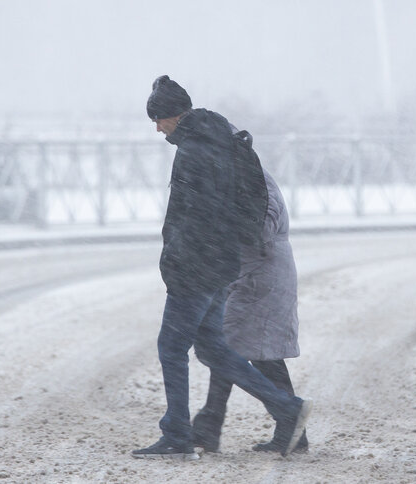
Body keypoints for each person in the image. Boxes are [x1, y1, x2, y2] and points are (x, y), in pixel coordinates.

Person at [131, 75, 312, 460]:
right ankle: (286, 408)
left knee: (171, 348)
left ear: (172, 116)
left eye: (158, 119)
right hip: (218, 265)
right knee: (216, 349)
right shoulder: (217, 145)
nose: (157, 128)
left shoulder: (194, 152)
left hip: (196, 268)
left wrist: (177, 264)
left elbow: (194, 216)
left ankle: (178, 434)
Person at [191, 168, 309, 454]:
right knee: (246, 348)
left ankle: (214, 424)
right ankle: (288, 424)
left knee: (238, 349)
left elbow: (260, 227)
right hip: (253, 272)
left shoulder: (251, 178)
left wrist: (221, 227)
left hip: (260, 274)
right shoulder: (241, 175)